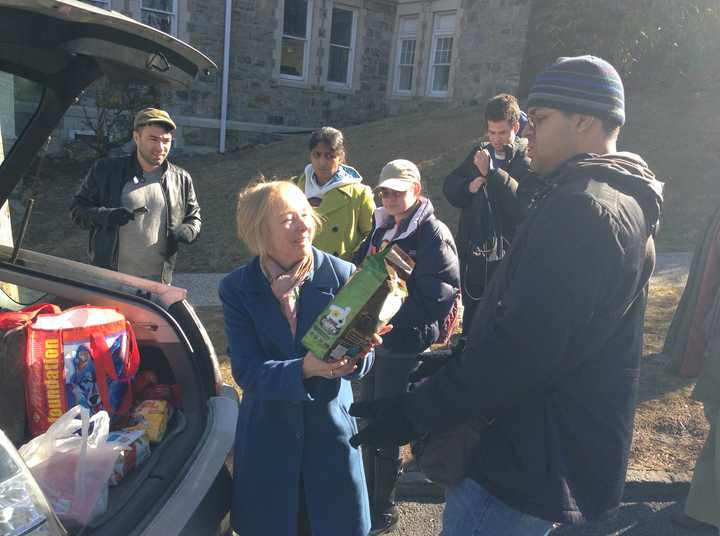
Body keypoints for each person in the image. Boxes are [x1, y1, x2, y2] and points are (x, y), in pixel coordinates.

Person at [349, 56, 665, 535]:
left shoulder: (586, 210)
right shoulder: (607, 198)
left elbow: (522, 351)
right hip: (543, 444)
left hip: (527, 455)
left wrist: (417, 411)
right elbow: (552, 331)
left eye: (537, 121)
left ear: (583, 120)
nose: (524, 133)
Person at [219, 180, 383, 536]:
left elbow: (361, 369)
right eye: (289, 218)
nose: (305, 225)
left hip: (329, 442)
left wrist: (362, 353)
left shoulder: (342, 276)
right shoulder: (237, 288)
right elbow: (247, 372)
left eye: (306, 214)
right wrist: (304, 368)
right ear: (261, 230)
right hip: (268, 441)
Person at [353, 159, 460, 535]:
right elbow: (360, 272)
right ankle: (369, 496)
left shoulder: (432, 233)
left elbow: (438, 297)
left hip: (403, 342)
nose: (392, 196)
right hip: (374, 339)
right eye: (386, 191)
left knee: (388, 420)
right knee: (369, 415)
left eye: (400, 190)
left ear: (417, 190)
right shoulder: (382, 227)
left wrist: (385, 317)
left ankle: (384, 506)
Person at [443, 94, 534, 353]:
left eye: (502, 132)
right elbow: (450, 185)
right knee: (471, 313)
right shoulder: (479, 152)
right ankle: (465, 353)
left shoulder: (526, 158)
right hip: (475, 251)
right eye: (491, 132)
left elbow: (523, 206)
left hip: (506, 256)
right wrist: (467, 187)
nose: (496, 139)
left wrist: (492, 173)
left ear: (515, 128)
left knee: (498, 315)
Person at [71, 107, 201, 284]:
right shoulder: (106, 170)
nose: (160, 147)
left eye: (166, 140)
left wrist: (189, 230)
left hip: (158, 282)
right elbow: (77, 210)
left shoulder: (182, 179)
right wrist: (106, 216)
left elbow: (194, 217)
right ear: (136, 137)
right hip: (110, 278)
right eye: (153, 139)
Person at [292, 126, 375, 261]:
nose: (322, 162)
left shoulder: (359, 193)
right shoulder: (293, 188)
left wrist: (353, 260)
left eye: (329, 156)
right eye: (317, 155)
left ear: (340, 157)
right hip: (298, 268)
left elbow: (371, 234)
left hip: (339, 272)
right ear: (310, 155)